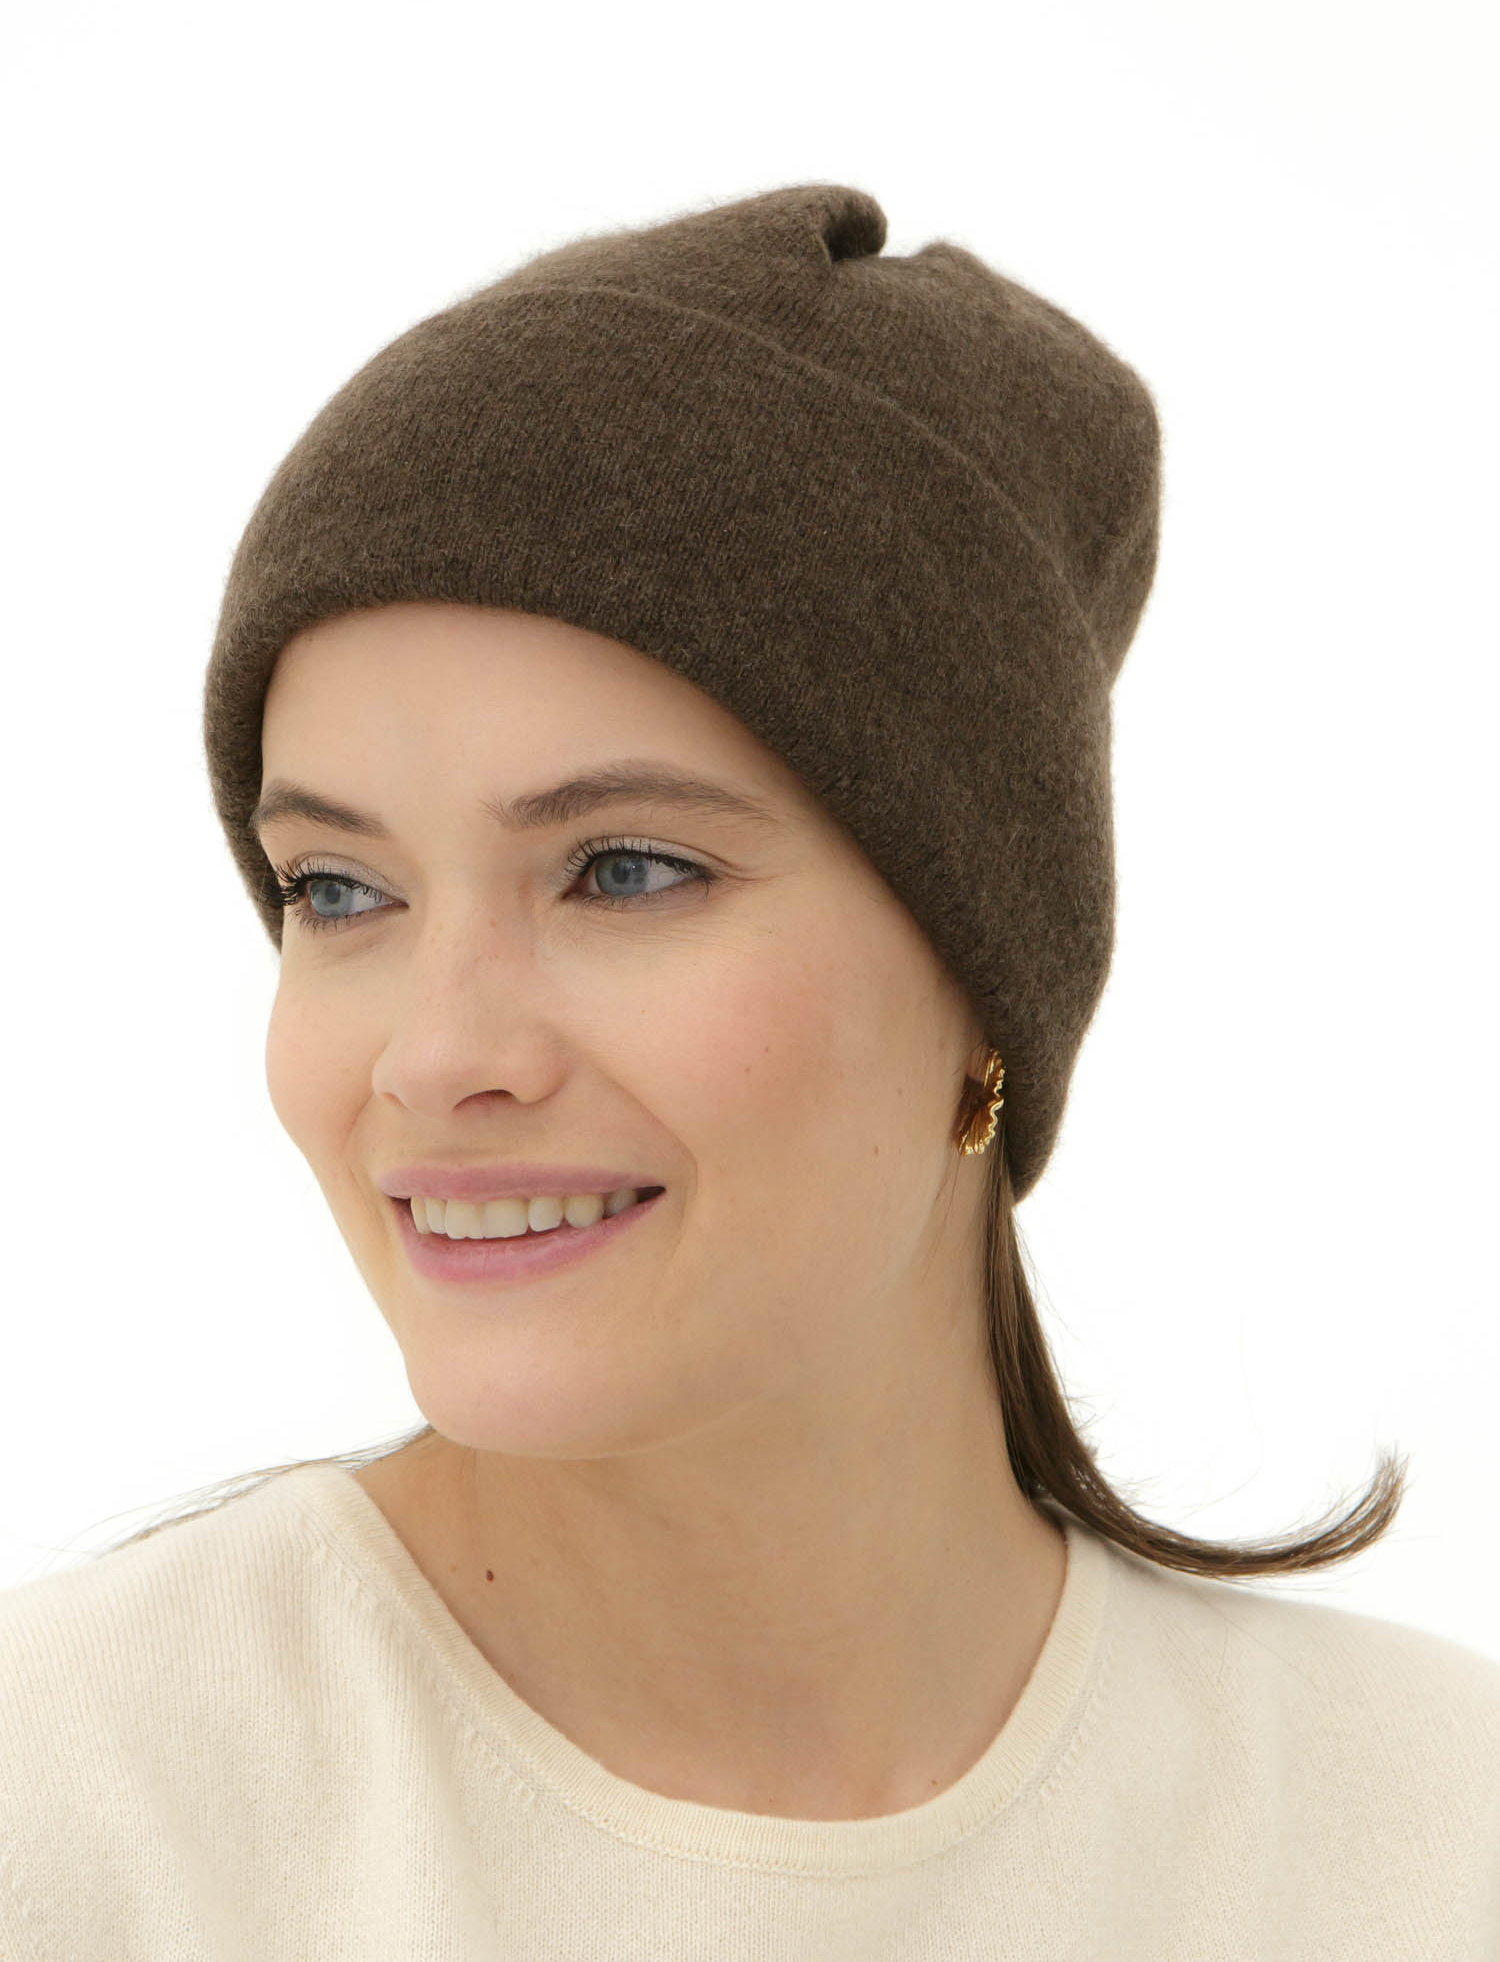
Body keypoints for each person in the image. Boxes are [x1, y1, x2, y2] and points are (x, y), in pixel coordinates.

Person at [2, 181, 1497, 1959]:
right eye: (337, 890)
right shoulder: (73, 1816)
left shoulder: (1433, 1827)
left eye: (626, 870)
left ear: (985, 976)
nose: (436, 1054)